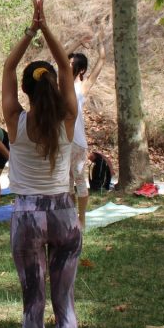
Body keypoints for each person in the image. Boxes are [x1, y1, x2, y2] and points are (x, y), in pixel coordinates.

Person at [2, 0, 81, 328]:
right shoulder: (68, 119)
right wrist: (46, 27)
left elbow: (7, 66)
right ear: (53, 87)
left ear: (26, 93)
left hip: (28, 216)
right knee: (63, 301)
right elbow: (66, 65)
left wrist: (29, 31)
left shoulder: (15, 121)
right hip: (65, 214)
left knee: (34, 301)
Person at [66, 31, 106, 229]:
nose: (68, 65)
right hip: (62, 139)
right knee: (67, 182)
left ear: (80, 70)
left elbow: (102, 60)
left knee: (79, 180)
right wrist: (77, 41)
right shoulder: (60, 82)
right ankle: (72, 217)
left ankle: (82, 218)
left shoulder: (82, 87)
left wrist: (100, 43)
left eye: (72, 64)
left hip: (78, 140)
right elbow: (61, 56)